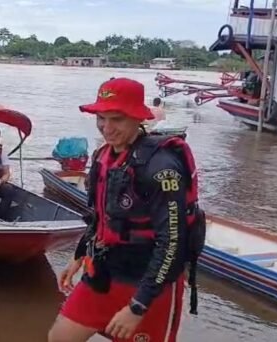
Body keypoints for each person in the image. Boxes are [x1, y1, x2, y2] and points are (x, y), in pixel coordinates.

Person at [48, 78, 204, 342]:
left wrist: (138, 307)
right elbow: (99, 216)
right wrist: (80, 255)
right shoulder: (102, 157)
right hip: (104, 271)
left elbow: (171, 243)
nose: (106, 128)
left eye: (117, 119)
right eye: (101, 118)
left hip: (148, 284)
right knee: (60, 336)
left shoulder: (162, 167)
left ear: (136, 118)